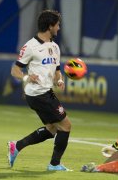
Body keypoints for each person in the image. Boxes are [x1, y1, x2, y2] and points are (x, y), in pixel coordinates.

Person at [9, 10, 72, 171]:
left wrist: (59, 79)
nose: (59, 28)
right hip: (38, 94)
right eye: (57, 25)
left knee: (52, 129)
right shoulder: (30, 46)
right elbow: (15, 70)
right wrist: (26, 78)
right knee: (65, 125)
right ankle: (54, 164)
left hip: (46, 92)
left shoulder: (55, 47)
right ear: (50, 26)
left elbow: (57, 71)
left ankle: (16, 146)